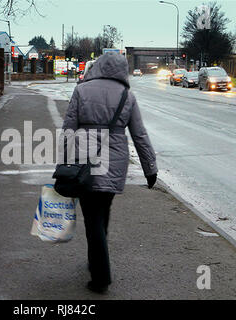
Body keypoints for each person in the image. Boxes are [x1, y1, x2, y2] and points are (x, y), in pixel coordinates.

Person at [61, 52, 158, 293]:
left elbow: (68, 129)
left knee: (92, 217)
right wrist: (150, 168)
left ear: (98, 67)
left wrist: (64, 164)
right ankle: (96, 259)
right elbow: (140, 135)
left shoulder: (82, 90)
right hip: (115, 162)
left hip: (83, 162)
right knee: (102, 213)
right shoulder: (127, 96)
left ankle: (100, 276)